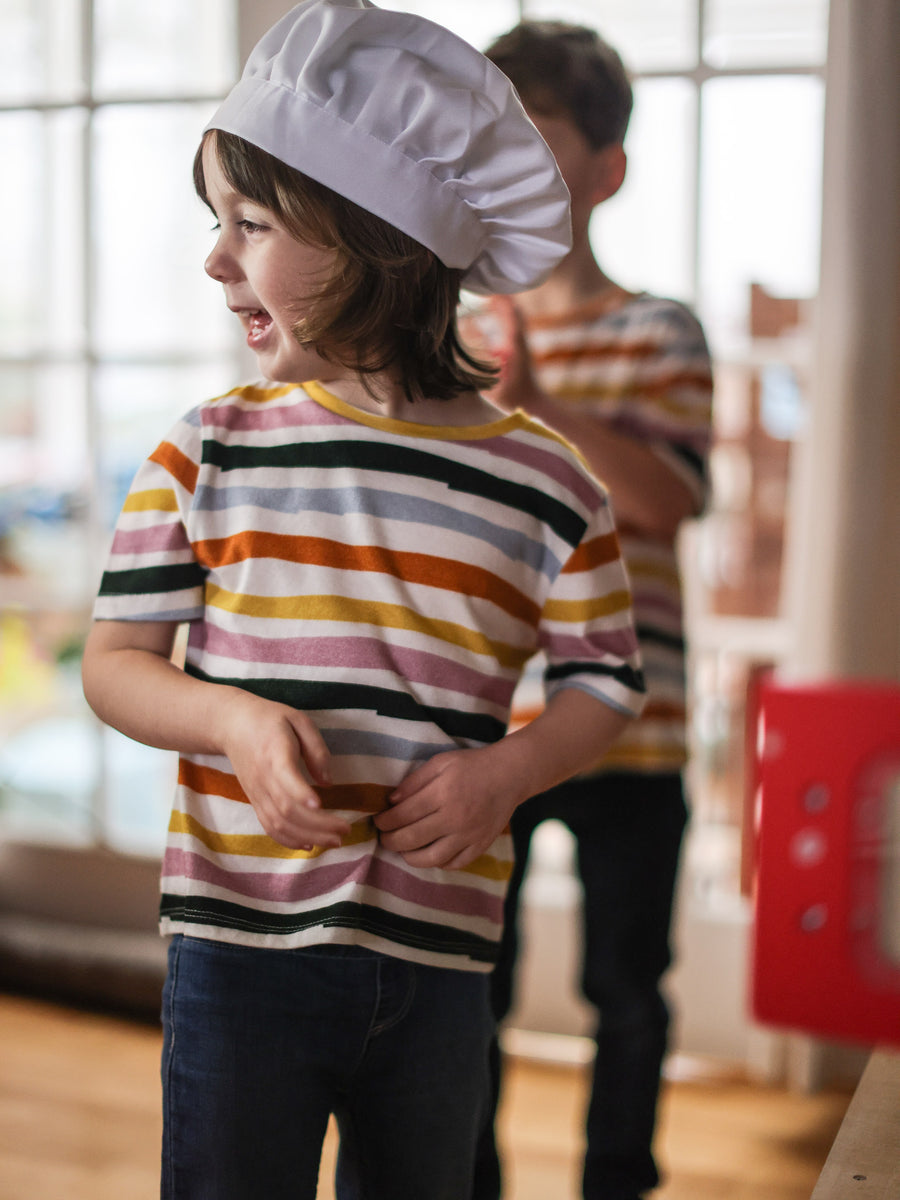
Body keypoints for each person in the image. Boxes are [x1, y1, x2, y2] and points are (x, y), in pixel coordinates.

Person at [79, 3, 647, 1198]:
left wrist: (507, 776)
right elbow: (116, 661)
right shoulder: (208, 449)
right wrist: (230, 721)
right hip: (237, 953)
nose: (215, 258)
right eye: (213, 222)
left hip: (441, 965)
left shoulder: (549, 481)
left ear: (374, 239)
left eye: (251, 223)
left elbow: (606, 684)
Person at [468, 21, 714, 1200]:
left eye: (538, 133)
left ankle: (619, 1183)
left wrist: (541, 397)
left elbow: (669, 500)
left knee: (627, 990)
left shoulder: (659, 330)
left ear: (604, 170)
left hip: (643, 722)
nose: (503, 150)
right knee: (475, 985)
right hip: (491, 727)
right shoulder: (457, 333)